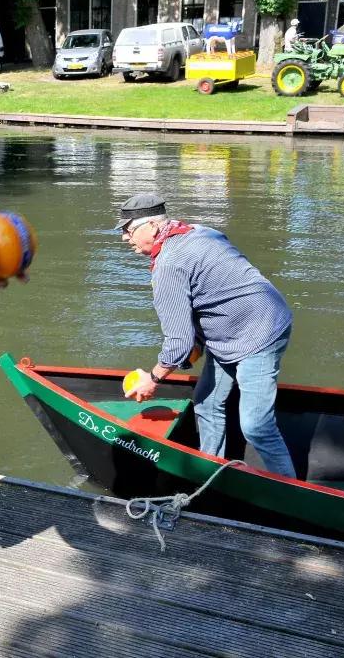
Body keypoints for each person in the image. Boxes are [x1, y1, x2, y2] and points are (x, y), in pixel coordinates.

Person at [117, 193, 296, 479]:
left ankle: (290, 490)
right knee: (208, 402)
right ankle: (209, 472)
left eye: (128, 230)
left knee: (256, 426)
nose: (125, 238)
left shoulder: (168, 265)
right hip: (231, 329)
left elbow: (178, 342)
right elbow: (213, 289)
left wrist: (153, 379)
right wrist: (199, 344)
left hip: (261, 332)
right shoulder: (199, 231)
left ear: (151, 226)